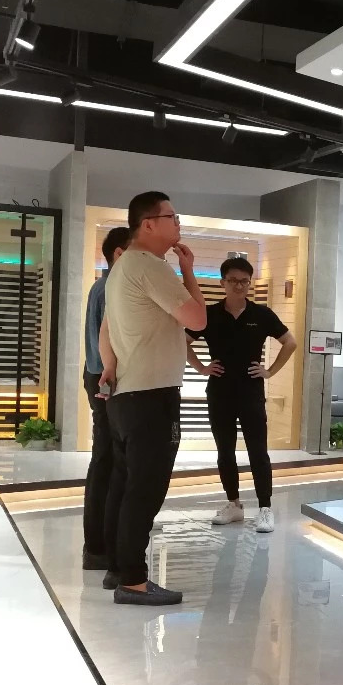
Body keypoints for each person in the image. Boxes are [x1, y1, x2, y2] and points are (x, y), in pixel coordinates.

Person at [99, 191, 207, 606]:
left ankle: (118, 569)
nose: (178, 223)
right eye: (172, 217)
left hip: (127, 394)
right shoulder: (149, 265)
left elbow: (107, 330)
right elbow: (197, 320)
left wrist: (110, 367)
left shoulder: (121, 267)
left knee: (125, 485)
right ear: (148, 224)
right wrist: (189, 272)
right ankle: (134, 581)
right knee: (145, 491)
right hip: (151, 397)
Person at [187, 257, 297, 534]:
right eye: (233, 281)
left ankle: (265, 508)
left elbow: (290, 342)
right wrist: (201, 367)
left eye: (244, 281)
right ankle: (234, 504)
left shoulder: (262, 314)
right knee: (225, 451)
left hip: (250, 392)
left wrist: (270, 371)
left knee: (257, 451)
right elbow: (182, 341)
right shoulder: (209, 314)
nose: (239, 286)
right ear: (222, 282)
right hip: (219, 391)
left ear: (250, 283)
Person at [80, 225, 130, 571]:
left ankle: (100, 542)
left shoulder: (102, 285)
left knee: (106, 461)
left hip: (98, 379)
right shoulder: (111, 288)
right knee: (108, 462)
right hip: (106, 383)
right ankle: (99, 545)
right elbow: (107, 348)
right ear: (119, 254)